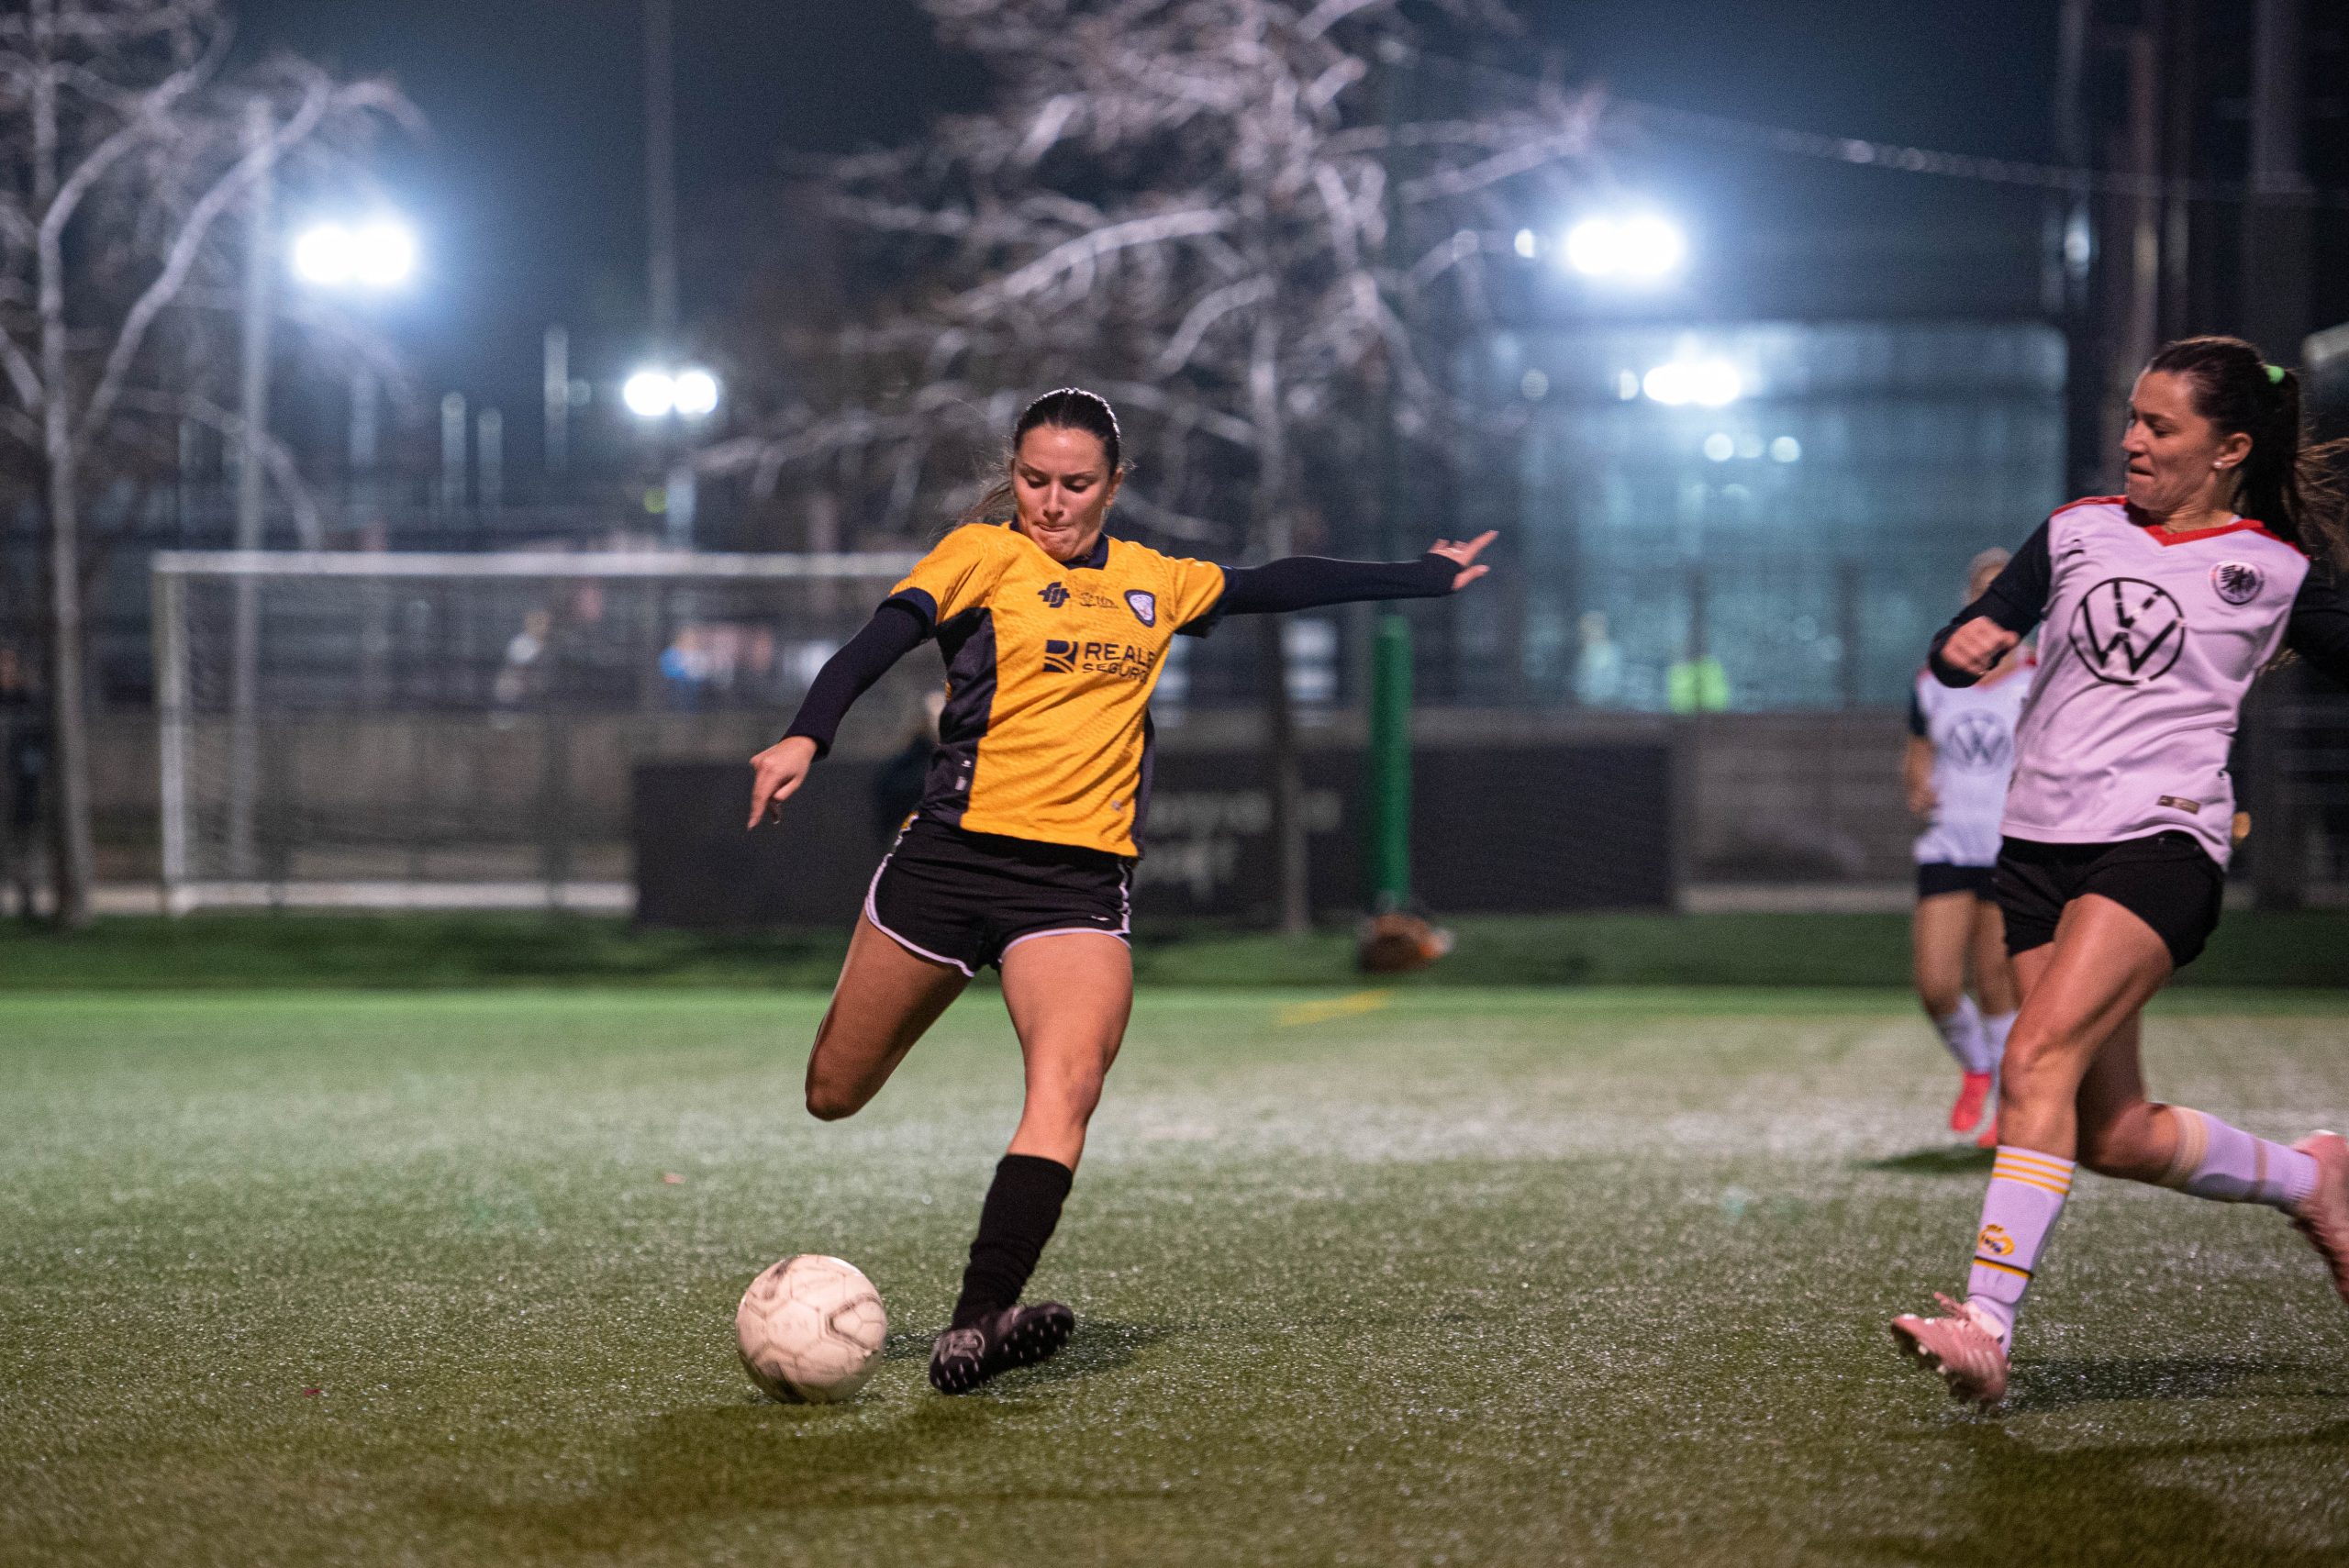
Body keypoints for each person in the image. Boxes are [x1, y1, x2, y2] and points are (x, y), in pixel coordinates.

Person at [746, 387, 1494, 1395]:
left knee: (1068, 1088)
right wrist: (807, 733)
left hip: (1076, 886)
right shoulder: (979, 555)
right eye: (1034, 479)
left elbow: (1278, 582)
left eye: (1076, 483)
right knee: (833, 1092)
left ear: (1114, 483)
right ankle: (972, 1305)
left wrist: (1423, 576)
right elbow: (873, 644)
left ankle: (978, 1319)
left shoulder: (1154, 580)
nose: (1052, 502)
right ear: (1013, 475)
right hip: (948, 862)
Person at [1889, 337, 2349, 1407]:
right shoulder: (2076, 529)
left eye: (2159, 426)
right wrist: (1967, 642)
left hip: (2160, 838)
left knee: (2034, 1054)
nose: (2132, 440)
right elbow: (1974, 629)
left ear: (2228, 448)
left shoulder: (2275, 570)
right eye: (2132, 418)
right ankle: (2311, 1177)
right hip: (2035, 849)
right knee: (2112, 1130)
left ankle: (1986, 1326)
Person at [1904, 549, 2031, 1145]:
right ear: (1968, 603)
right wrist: (1916, 784)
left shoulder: (2040, 677)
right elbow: (1918, 753)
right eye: (1984, 593)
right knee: (1936, 985)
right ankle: (1977, 1066)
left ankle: (2008, 1104)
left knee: (1998, 982)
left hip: (2011, 849)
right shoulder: (1935, 679)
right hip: (1950, 845)